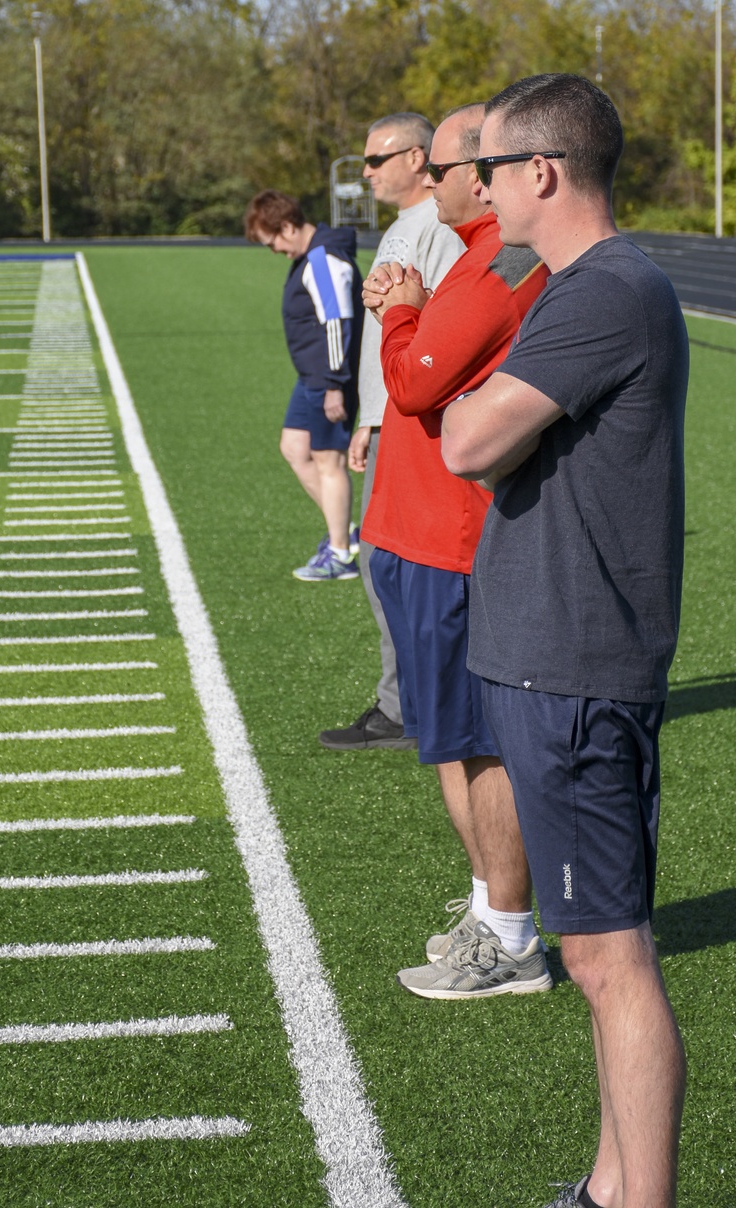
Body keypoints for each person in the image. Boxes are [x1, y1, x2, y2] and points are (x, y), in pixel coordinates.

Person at [440, 75, 689, 1208]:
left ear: (540, 172)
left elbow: (465, 439)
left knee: (605, 956)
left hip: (578, 663)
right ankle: (604, 1187)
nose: (479, 189)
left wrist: (465, 411)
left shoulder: (604, 292)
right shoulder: (576, 285)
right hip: (550, 655)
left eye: (488, 167)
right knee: (595, 954)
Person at [359, 104, 553, 997]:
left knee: (474, 745)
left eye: (437, 170)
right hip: (415, 532)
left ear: (481, 175)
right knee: (447, 741)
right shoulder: (474, 263)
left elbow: (415, 380)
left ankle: (511, 934)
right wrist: (410, 309)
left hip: (447, 538)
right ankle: (490, 911)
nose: (427, 185)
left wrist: (402, 316)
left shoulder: (498, 266)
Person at [319, 113, 463, 750]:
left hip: (414, 418)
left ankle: (411, 708)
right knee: (389, 566)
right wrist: (367, 417)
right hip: (390, 415)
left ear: (417, 157)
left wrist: (386, 416)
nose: (367, 171)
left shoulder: (435, 224)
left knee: (400, 567)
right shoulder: (409, 226)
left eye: (377, 159)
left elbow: (432, 326)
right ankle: (410, 703)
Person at [244, 189, 364, 581]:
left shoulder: (322, 260)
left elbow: (337, 324)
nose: (274, 250)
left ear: (289, 226)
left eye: (273, 241)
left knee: (329, 461)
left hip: (329, 379)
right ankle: (341, 529)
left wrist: (334, 384)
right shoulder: (309, 256)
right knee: (294, 448)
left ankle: (341, 554)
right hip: (312, 377)